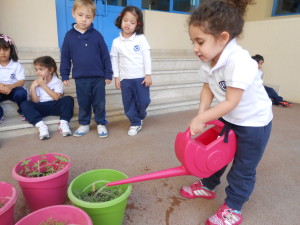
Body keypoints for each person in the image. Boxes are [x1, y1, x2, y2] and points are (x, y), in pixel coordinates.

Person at [179, 1, 273, 225]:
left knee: (243, 167)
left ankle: (233, 208)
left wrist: (202, 118)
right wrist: (202, 113)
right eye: (193, 41)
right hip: (228, 118)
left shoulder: (240, 61)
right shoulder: (210, 59)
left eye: (200, 41)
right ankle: (207, 185)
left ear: (222, 38)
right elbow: (207, 87)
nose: (195, 48)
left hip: (253, 123)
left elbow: (231, 101)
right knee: (217, 154)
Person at [60, 0, 113, 138]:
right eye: (80, 15)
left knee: (99, 102)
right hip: (81, 78)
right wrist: (64, 74)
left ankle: (101, 123)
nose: (84, 19)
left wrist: (108, 73)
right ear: (73, 14)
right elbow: (65, 57)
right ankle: (84, 124)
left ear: (93, 18)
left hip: (98, 77)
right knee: (83, 102)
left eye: (88, 17)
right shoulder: (69, 36)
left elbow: (105, 56)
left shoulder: (97, 35)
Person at [110, 6, 152, 136]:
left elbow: (147, 57)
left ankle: (140, 115)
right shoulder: (116, 42)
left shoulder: (141, 39)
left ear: (137, 25)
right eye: (125, 20)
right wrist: (116, 77)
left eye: (132, 22)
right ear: (121, 20)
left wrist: (148, 74)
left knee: (144, 101)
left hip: (140, 78)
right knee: (128, 103)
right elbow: (114, 60)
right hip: (125, 79)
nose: (128, 24)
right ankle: (135, 123)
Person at [20, 56, 74, 140]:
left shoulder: (57, 81)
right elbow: (35, 101)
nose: (38, 72)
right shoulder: (36, 82)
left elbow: (56, 98)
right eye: (36, 69)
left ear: (51, 70)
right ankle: (41, 126)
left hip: (55, 105)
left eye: (41, 69)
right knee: (24, 104)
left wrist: (43, 85)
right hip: (41, 106)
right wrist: (33, 88)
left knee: (68, 99)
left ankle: (63, 123)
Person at [0, 34, 28, 123]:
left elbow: (21, 81)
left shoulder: (16, 65)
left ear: (11, 50)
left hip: (13, 90)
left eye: (5, 49)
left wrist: (11, 86)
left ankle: (23, 110)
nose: (2, 53)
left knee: (21, 92)